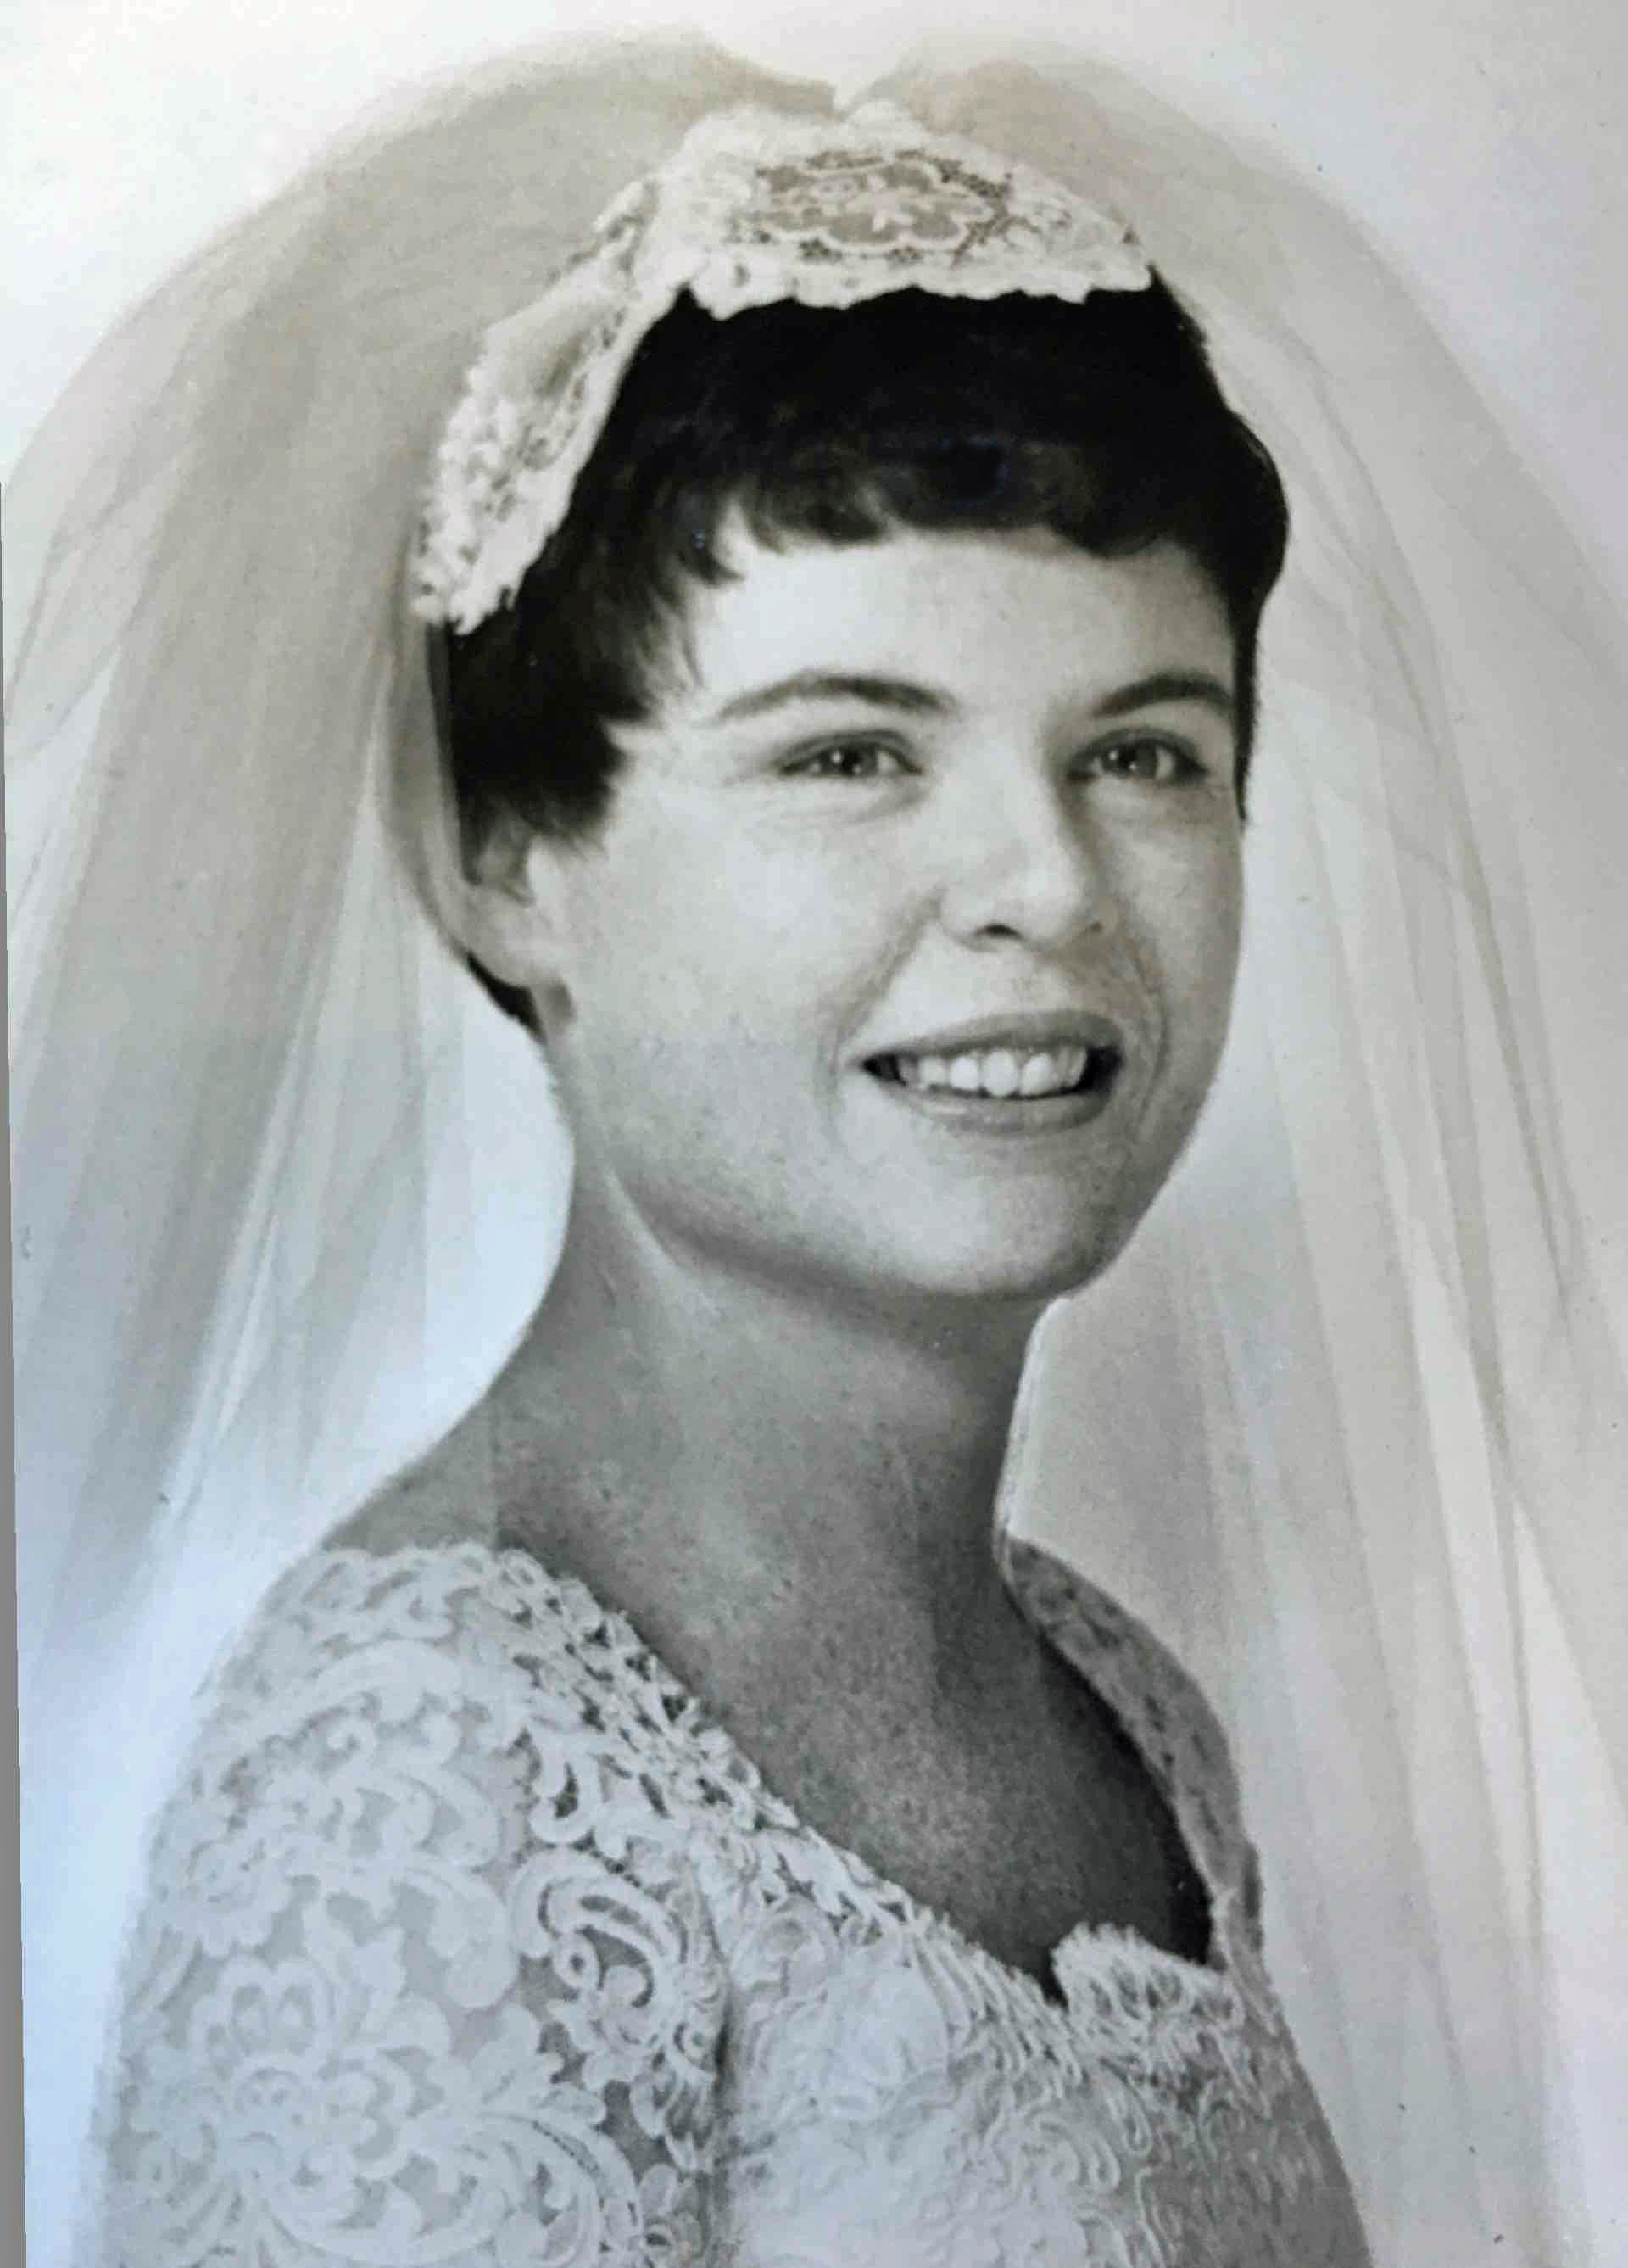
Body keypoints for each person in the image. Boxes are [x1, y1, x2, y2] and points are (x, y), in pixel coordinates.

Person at [10, 39, 1625, 2268]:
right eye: (854, 752)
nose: (1047, 887)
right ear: (508, 863)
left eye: (1145, 753)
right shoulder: (431, 1791)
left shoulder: (1124, 1710)